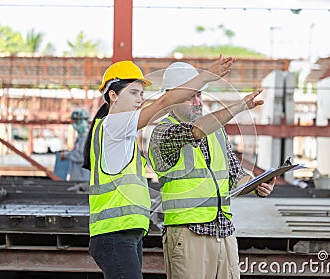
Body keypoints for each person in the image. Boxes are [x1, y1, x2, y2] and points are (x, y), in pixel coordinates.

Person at [82, 57, 235, 279]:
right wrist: (206, 76)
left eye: (141, 93)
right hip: (114, 233)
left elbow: (162, 105)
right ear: (112, 95)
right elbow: (162, 104)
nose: (140, 99)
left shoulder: (122, 135)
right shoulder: (113, 125)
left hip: (126, 232)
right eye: (133, 92)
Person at [148, 62, 276, 279]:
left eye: (199, 95)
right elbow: (194, 132)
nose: (197, 102)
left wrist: (257, 184)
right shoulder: (163, 132)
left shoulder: (217, 133)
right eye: (190, 96)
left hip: (224, 232)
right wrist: (239, 107)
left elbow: (236, 175)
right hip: (188, 234)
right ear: (170, 99)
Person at [59, 109, 90, 181]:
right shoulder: (81, 137)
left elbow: (81, 157)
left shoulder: (85, 138)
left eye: (74, 121)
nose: (73, 124)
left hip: (82, 178)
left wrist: (66, 155)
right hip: (78, 177)